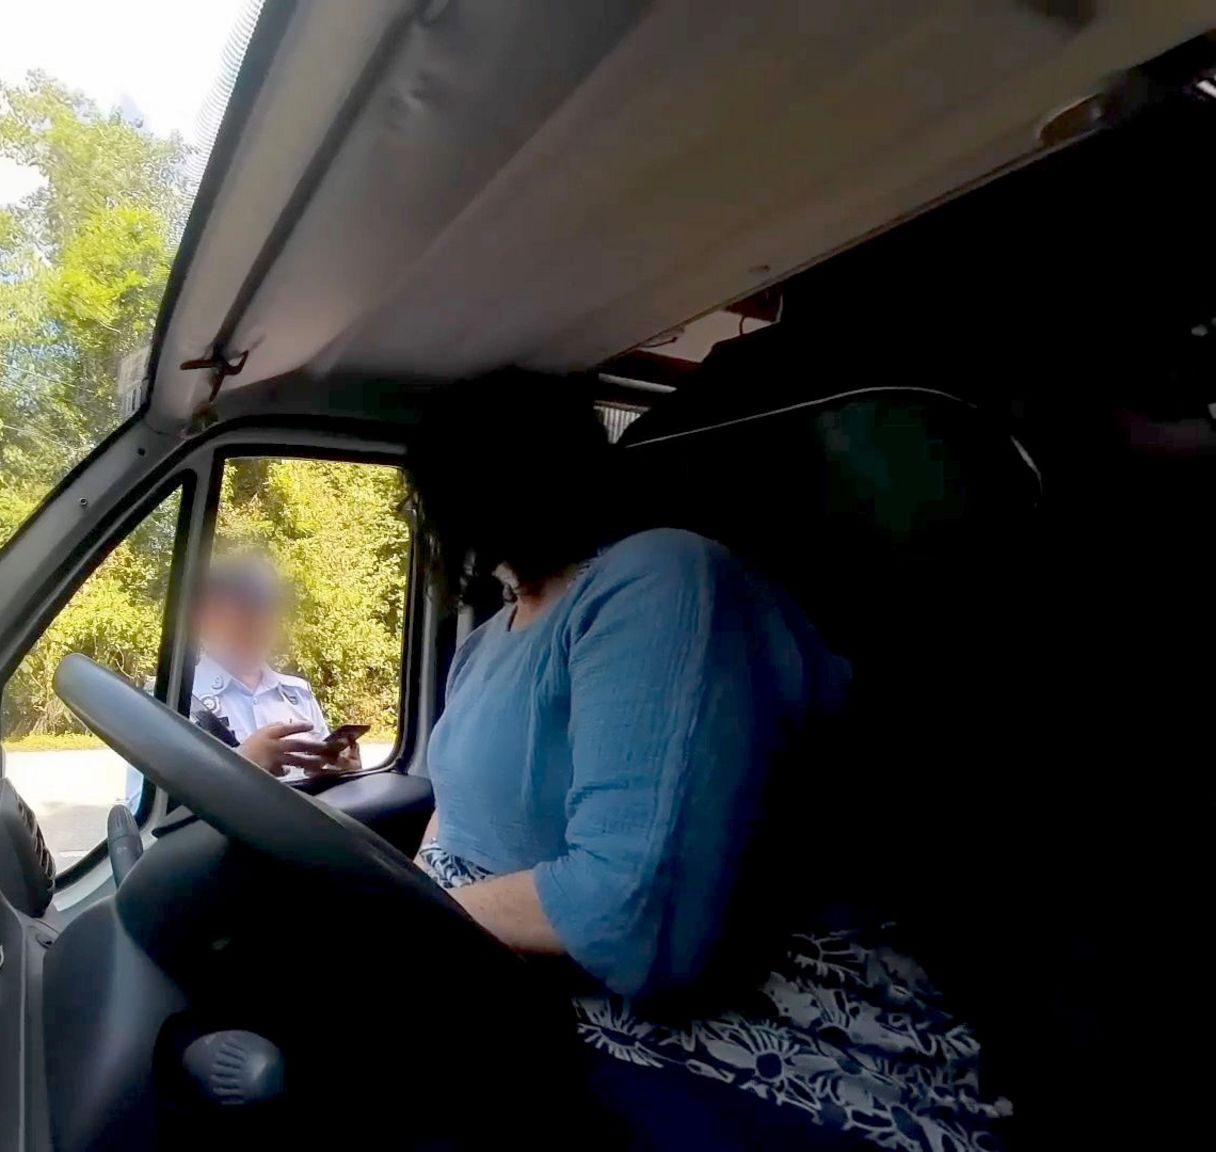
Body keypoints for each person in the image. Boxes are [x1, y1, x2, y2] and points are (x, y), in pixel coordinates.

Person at [406, 374, 1007, 1151]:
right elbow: (448, 812)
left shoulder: (659, 578)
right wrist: (412, 894)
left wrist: (409, 914)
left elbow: (628, 905)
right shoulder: (488, 639)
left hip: (745, 1022)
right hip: (508, 975)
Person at [126, 555, 354, 807]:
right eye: (240, 609)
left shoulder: (298, 694)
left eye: (265, 608)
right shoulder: (168, 698)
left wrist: (345, 774)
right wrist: (240, 767)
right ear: (203, 620)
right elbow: (143, 810)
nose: (255, 622)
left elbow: (322, 788)